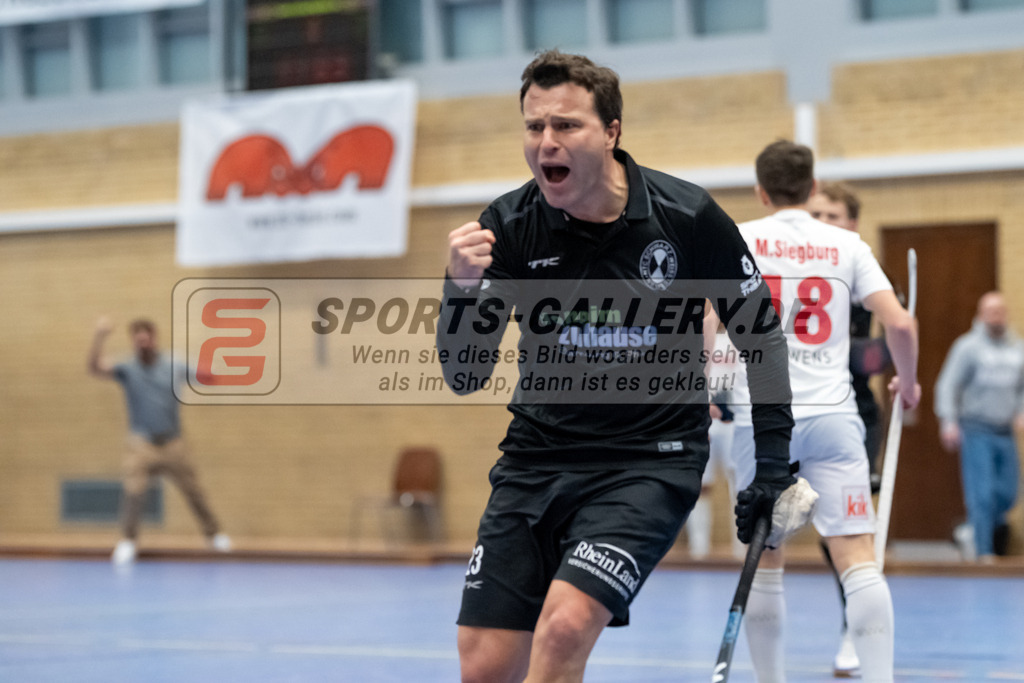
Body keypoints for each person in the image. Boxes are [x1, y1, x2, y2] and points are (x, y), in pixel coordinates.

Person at [436, 50, 801, 683]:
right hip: (534, 461)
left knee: (566, 627)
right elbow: (465, 373)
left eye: (567, 125)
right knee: (484, 665)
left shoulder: (685, 218)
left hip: (647, 463)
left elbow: (760, 334)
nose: (546, 141)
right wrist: (459, 292)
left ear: (611, 132)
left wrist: (771, 464)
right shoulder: (508, 229)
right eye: (533, 127)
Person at [728, 140, 919, 683]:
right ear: (812, 189)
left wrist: (707, 393)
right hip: (834, 417)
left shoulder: (737, 239)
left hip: (761, 420)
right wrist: (905, 383)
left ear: (761, 191)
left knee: (766, 558)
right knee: (857, 555)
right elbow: (900, 325)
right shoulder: (846, 243)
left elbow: (705, 325)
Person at [807, 181, 893, 677]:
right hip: (799, 413)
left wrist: (891, 362)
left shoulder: (862, 273)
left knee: (851, 530)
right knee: (822, 530)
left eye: (834, 216)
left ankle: (853, 627)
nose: (824, 223)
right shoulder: (794, 274)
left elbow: (872, 358)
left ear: (852, 224)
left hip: (854, 417)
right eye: (816, 214)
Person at [88, 316, 231, 565]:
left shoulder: (174, 364)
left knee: (194, 491)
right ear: (134, 343)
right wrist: (99, 336)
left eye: (147, 339)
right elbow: (95, 368)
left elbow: (206, 376)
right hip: (141, 443)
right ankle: (128, 541)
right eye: (138, 341)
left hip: (173, 442)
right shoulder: (128, 368)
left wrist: (221, 362)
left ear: (154, 339)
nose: (143, 344)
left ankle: (214, 535)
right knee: (133, 491)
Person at [934, 291, 1023, 563]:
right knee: (981, 494)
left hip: (1005, 431)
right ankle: (984, 551)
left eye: (1000, 311)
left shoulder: (1017, 347)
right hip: (976, 429)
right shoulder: (968, 348)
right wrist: (948, 421)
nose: (996, 317)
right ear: (981, 315)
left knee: (1009, 494)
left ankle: (969, 531)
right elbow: (947, 385)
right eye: (991, 312)